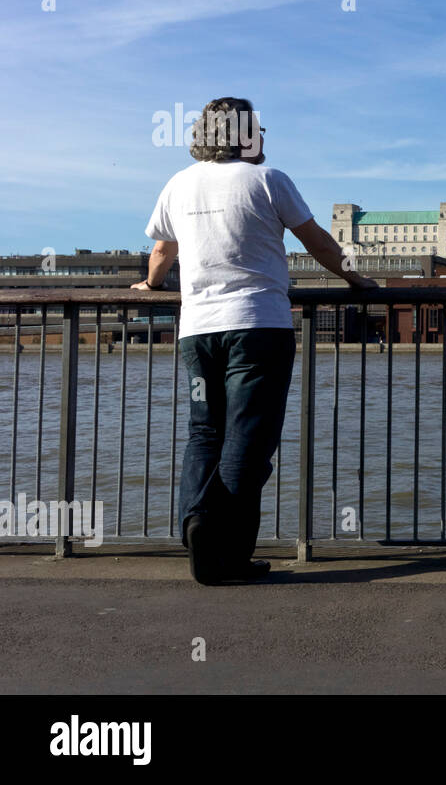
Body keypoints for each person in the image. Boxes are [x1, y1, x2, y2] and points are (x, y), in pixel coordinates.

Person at [134, 97, 376, 585]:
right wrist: (359, 281)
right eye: (259, 130)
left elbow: (162, 250)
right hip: (258, 327)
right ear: (244, 134)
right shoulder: (269, 181)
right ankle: (227, 551)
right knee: (248, 439)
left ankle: (197, 525)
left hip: (197, 331)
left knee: (205, 432)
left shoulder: (178, 183)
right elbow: (321, 244)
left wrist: (152, 285)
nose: (264, 137)